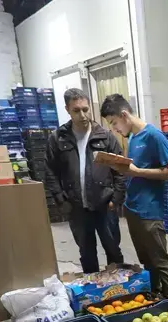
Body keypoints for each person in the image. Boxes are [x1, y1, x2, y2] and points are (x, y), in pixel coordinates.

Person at [100, 94, 168, 299]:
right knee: (146, 260)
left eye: (114, 123)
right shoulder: (133, 138)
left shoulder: (154, 136)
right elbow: (134, 169)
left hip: (150, 210)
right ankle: (155, 295)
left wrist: (137, 172)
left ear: (124, 115)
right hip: (132, 208)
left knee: (160, 260)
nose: (114, 129)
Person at [45, 88, 125, 273]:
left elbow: (120, 170)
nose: (83, 115)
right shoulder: (58, 139)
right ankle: (93, 293)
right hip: (76, 207)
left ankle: (119, 290)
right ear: (67, 109)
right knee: (87, 253)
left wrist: (116, 199)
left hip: (105, 205)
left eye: (85, 109)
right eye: (76, 110)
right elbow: (50, 171)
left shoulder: (105, 137)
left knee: (113, 250)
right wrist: (61, 200)